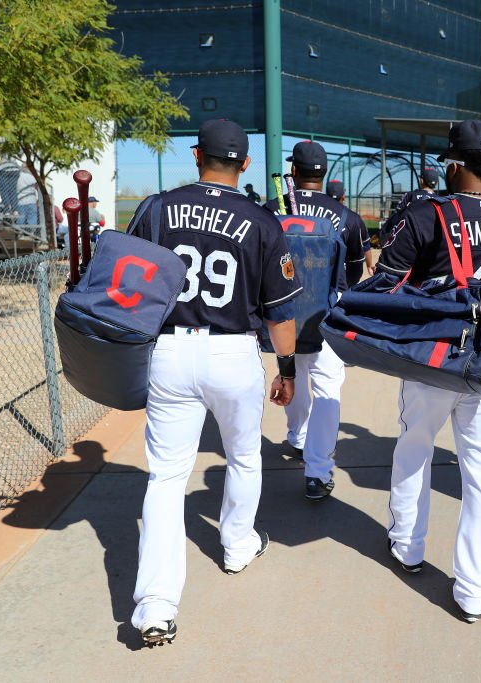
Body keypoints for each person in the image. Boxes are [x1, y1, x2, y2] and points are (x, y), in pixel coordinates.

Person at [127, 118, 302, 647]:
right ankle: (237, 546)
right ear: (245, 163)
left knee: (165, 478)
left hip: (170, 349)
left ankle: (155, 605)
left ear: (196, 155)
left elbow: (127, 283)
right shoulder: (264, 221)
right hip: (232, 352)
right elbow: (280, 314)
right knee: (244, 456)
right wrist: (287, 369)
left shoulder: (156, 208)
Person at [377, 120, 481, 623]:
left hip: (432, 356)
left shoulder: (426, 214)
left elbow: (385, 283)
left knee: (415, 446)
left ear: (453, 164)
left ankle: (407, 546)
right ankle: (473, 592)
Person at [265, 141, 370, 500]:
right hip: (328, 309)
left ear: (293, 171)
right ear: (323, 175)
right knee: (326, 387)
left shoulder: (270, 211)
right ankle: (317, 472)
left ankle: (297, 438)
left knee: (290, 370)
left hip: (284, 309)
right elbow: (354, 273)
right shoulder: (347, 218)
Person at [378, 166, 440, 246]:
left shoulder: (411, 196)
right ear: (437, 183)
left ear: (421, 181)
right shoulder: (441, 200)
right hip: (433, 240)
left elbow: (397, 216)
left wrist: (381, 234)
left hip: (411, 238)